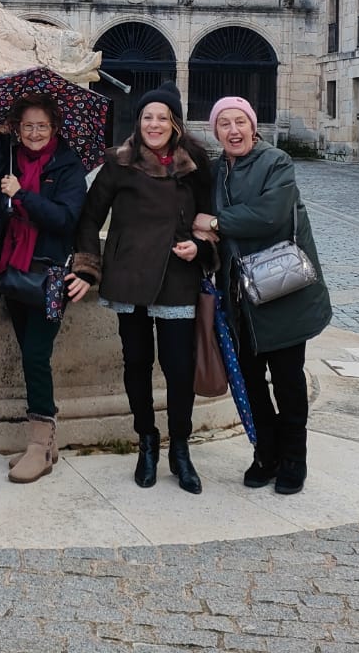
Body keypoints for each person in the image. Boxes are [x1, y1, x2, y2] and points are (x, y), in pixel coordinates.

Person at [71, 83, 215, 494]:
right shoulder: (117, 162)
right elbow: (89, 218)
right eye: (147, 117)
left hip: (176, 274)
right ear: (138, 121)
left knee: (179, 367)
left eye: (162, 117)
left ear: (175, 122)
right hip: (129, 275)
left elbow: (210, 216)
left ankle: (181, 448)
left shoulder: (196, 162)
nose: (154, 124)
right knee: (136, 363)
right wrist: (87, 267)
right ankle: (146, 442)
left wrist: (201, 246)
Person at [195, 97, 332, 496]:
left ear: (253, 128)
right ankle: (265, 453)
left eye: (240, 122)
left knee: (288, 382)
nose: (233, 131)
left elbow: (270, 214)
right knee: (252, 381)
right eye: (224, 124)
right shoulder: (215, 169)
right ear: (215, 131)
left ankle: (294, 459)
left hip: (281, 291)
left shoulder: (277, 163)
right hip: (238, 296)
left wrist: (217, 221)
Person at [0, 92, 88, 483]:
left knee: (35, 355)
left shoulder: (68, 167)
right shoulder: (9, 160)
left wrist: (23, 195)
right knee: (29, 354)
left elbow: (65, 219)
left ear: (54, 128)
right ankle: (43, 444)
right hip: (13, 273)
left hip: (50, 277)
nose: (34, 133)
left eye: (42, 126)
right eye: (27, 126)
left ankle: (40, 443)